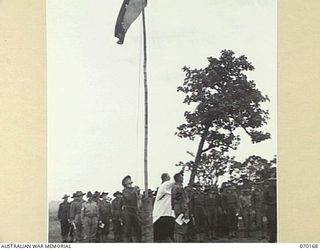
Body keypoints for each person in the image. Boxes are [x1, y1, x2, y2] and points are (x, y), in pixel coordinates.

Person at [152, 173, 175, 242]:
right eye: (169, 177)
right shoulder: (165, 185)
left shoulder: (167, 188)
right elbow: (174, 182)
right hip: (163, 215)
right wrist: (179, 174)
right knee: (165, 236)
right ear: (165, 178)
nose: (170, 178)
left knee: (165, 236)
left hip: (166, 214)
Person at [122, 175, 141, 242]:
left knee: (137, 227)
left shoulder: (133, 189)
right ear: (125, 183)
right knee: (127, 228)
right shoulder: (125, 190)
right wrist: (134, 190)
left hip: (134, 210)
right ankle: (127, 242)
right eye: (128, 180)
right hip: (127, 211)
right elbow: (128, 197)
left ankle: (137, 241)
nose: (130, 180)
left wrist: (138, 192)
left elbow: (138, 200)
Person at [171, 171, 189, 243]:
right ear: (178, 178)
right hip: (181, 208)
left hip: (179, 208)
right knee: (179, 226)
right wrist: (184, 210)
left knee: (182, 226)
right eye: (181, 177)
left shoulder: (177, 187)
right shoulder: (178, 188)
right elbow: (179, 200)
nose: (183, 179)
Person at [263, 177, 277, 243]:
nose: (273, 182)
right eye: (271, 181)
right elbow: (264, 201)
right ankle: (272, 238)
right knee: (272, 223)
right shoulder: (267, 190)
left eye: (274, 181)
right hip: (271, 208)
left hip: (279, 207)